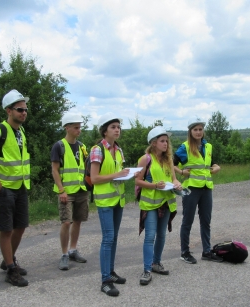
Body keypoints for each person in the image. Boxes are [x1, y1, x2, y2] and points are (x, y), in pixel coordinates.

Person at [0, 89, 30, 288]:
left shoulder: (21, 131)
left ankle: (8, 259)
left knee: (20, 226)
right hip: (3, 188)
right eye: (19, 109)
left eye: (25, 109)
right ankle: (11, 268)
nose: (24, 113)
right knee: (7, 229)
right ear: (8, 110)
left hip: (19, 186)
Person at [135, 126, 183, 286]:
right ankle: (147, 270)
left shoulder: (169, 160)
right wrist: (155, 185)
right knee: (150, 236)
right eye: (162, 141)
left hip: (166, 202)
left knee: (162, 235)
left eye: (167, 141)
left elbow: (174, 179)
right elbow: (137, 181)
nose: (166, 144)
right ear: (154, 143)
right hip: (150, 204)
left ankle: (156, 263)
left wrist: (177, 184)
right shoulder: (145, 159)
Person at [90, 114, 131, 296]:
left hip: (118, 199)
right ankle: (105, 280)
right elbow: (94, 178)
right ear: (104, 130)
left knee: (113, 238)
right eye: (113, 127)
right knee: (108, 238)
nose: (117, 129)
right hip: (105, 201)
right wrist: (118, 175)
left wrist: (130, 174)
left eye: (118, 127)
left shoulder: (118, 150)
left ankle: (111, 273)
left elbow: (118, 173)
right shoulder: (97, 150)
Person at [174, 117, 222, 264]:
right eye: (195, 129)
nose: (198, 132)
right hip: (191, 188)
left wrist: (216, 167)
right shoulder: (185, 147)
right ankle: (184, 252)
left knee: (206, 221)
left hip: (206, 188)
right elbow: (171, 163)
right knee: (187, 220)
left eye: (200, 129)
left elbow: (211, 163)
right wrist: (181, 172)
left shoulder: (208, 147)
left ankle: (207, 251)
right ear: (190, 131)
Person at [51, 113, 89, 270]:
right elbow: (54, 169)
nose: (78, 130)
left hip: (81, 189)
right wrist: (61, 190)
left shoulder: (81, 146)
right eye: (75, 127)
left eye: (79, 127)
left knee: (78, 220)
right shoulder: (59, 146)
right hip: (66, 191)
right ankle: (64, 254)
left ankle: (73, 249)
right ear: (67, 127)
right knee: (66, 221)